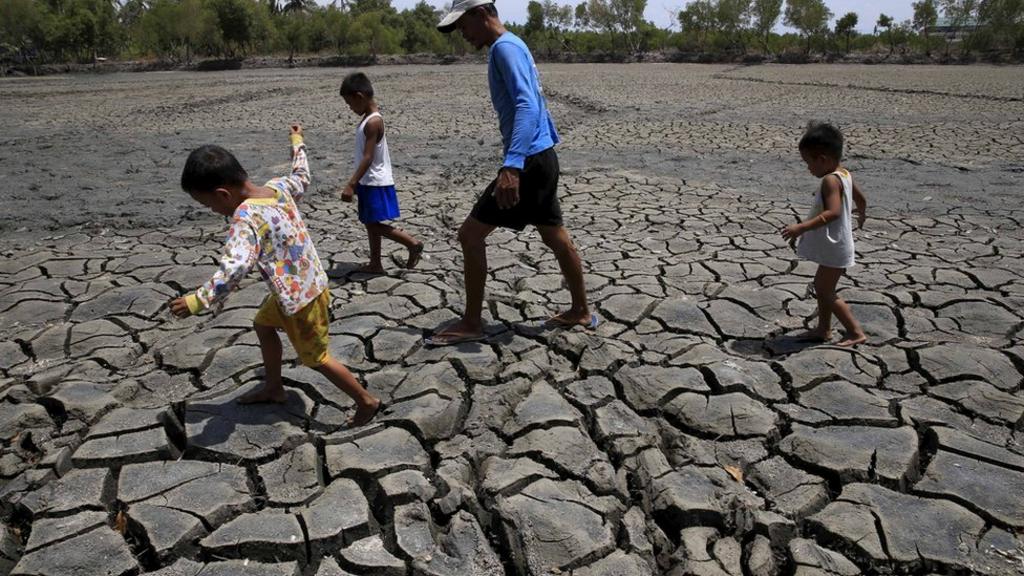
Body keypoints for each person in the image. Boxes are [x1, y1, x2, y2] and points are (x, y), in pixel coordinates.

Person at [169, 124, 382, 426]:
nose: (212, 210)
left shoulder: (246, 217)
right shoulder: (278, 187)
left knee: (317, 358)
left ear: (222, 194)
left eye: (209, 204)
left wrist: (198, 300)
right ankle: (274, 387)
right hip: (303, 287)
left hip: (301, 301)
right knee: (263, 325)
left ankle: (366, 401)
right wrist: (297, 142)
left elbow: (236, 267)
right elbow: (302, 175)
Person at [428, 0, 595, 346]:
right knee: (554, 235)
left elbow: (527, 104)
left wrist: (513, 164)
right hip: (542, 156)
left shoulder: (504, 48)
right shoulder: (513, 44)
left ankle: (472, 322)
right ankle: (581, 310)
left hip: (529, 160)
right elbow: (535, 102)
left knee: (470, 236)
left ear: (481, 14)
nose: (463, 34)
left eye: (463, 26)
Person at [781, 121, 868, 347]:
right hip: (837, 244)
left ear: (822, 160)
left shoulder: (830, 180)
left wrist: (801, 227)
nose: (808, 169)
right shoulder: (844, 173)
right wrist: (862, 212)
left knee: (825, 291)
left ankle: (855, 332)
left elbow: (833, 212)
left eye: (808, 163)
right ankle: (823, 329)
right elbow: (861, 199)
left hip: (835, 246)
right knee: (822, 288)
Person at [339, 72, 423, 274]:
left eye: (350, 104)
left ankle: (411, 243)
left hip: (374, 181)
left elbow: (368, 157)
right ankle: (375, 263)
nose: (350, 109)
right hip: (369, 181)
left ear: (359, 96)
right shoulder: (369, 119)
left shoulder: (373, 122)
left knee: (371, 224)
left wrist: (351, 183)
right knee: (371, 223)